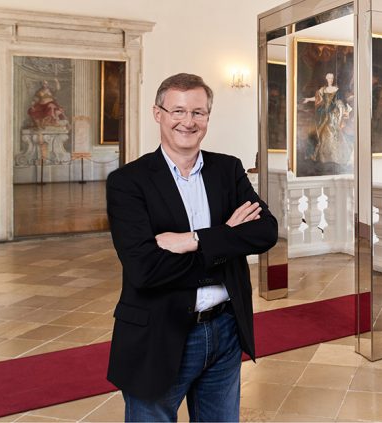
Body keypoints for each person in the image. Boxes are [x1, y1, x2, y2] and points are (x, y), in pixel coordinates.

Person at [105, 73, 278, 422]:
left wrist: (193, 239)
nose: (188, 121)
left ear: (208, 118)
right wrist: (227, 238)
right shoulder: (127, 182)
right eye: (178, 111)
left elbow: (266, 232)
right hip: (159, 333)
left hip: (225, 328)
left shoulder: (228, 170)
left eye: (198, 112)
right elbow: (146, 269)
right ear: (158, 114)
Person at [301, 72, 352, 165]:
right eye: (329, 78)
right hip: (323, 115)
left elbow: (340, 103)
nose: (330, 80)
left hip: (333, 116)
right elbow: (317, 98)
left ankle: (334, 156)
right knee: (323, 133)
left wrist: (340, 111)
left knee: (332, 131)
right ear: (326, 79)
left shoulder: (336, 90)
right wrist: (308, 99)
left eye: (332, 78)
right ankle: (324, 156)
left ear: (333, 79)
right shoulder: (323, 90)